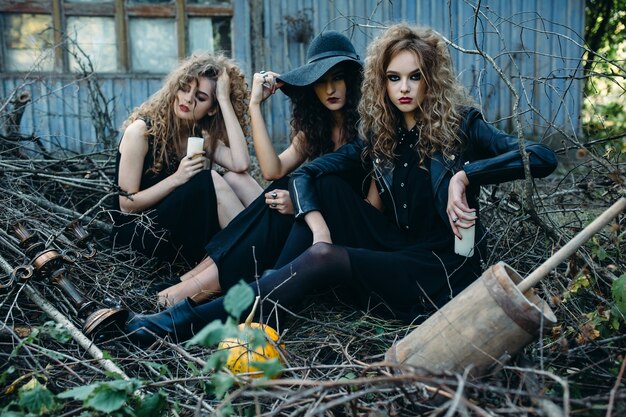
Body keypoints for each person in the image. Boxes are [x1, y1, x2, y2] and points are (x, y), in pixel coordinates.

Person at [124, 24, 557, 346]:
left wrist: (466, 175)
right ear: (381, 82)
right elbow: (306, 173)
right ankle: (252, 296)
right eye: (393, 78)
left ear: (432, 79)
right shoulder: (381, 137)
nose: (404, 88)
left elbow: (540, 157)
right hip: (394, 245)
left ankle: (182, 321)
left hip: (439, 268)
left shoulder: (464, 125)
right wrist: (318, 228)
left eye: (414, 76)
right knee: (319, 191)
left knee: (323, 257)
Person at [154, 31, 365, 307]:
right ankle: (193, 283)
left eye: (337, 78)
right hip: (314, 225)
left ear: (351, 80)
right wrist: (255, 105)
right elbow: (271, 170)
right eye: (320, 81)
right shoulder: (317, 130)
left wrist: (306, 204)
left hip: (347, 231)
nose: (330, 90)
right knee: (276, 192)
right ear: (311, 87)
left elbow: (367, 206)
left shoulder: (366, 130)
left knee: (280, 199)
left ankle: (191, 288)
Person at [110, 53, 252, 265]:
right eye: (185, 88)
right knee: (208, 179)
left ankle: (260, 243)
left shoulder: (197, 137)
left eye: (201, 97)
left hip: (173, 232)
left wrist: (224, 99)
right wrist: (178, 178)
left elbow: (241, 164)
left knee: (236, 178)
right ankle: (256, 250)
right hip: (137, 237)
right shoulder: (140, 132)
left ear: (212, 109)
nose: (188, 99)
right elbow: (126, 205)